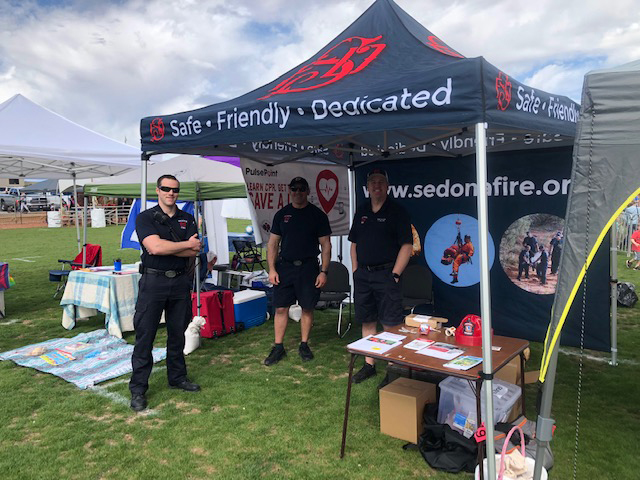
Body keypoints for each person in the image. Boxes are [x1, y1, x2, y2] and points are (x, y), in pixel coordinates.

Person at [129, 174, 202, 412]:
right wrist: (183, 246)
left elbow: (193, 252)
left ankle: (177, 377)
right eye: (166, 189)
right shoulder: (145, 217)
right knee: (145, 336)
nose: (171, 193)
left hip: (180, 283)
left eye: (175, 190)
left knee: (177, 334)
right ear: (158, 190)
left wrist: (175, 249)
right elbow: (154, 247)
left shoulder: (187, 218)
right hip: (153, 282)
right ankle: (138, 389)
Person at [348, 168, 413, 384]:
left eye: (381, 182)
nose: (376, 185)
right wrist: (356, 269)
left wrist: (395, 274)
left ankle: (392, 368)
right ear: (367, 187)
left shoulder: (398, 211)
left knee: (390, 324)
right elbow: (354, 243)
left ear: (387, 186)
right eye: (372, 182)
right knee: (367, 320)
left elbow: (407, 245)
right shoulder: (362, 211)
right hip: (363, 276)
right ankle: (370, 364)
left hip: (386, 275)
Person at [264, 177, 331, 365]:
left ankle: (304, 344)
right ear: (289, 190)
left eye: (302, 189)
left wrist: (324, 271)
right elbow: (273, 244)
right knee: (280, 307)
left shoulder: (317, 215)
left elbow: (326, 245)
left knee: (307, 307)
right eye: (294, 189)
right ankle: (278, 347)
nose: (298, 192)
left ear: (308, 191)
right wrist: (271, 269)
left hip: (309, 268)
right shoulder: (281, 215)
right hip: (284, 267)